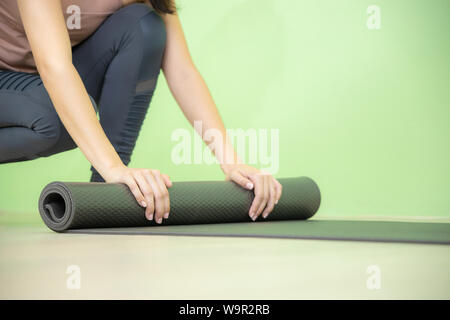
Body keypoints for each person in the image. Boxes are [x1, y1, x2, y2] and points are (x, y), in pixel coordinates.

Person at [0, 0, 282, 224]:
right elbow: (55, 66)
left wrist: (230, 161)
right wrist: (110, 166)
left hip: (43, 81)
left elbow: (182, 72)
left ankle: (108, 193)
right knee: (54, 118)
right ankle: (111, 171)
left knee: (145, 26)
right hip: (10, 78)